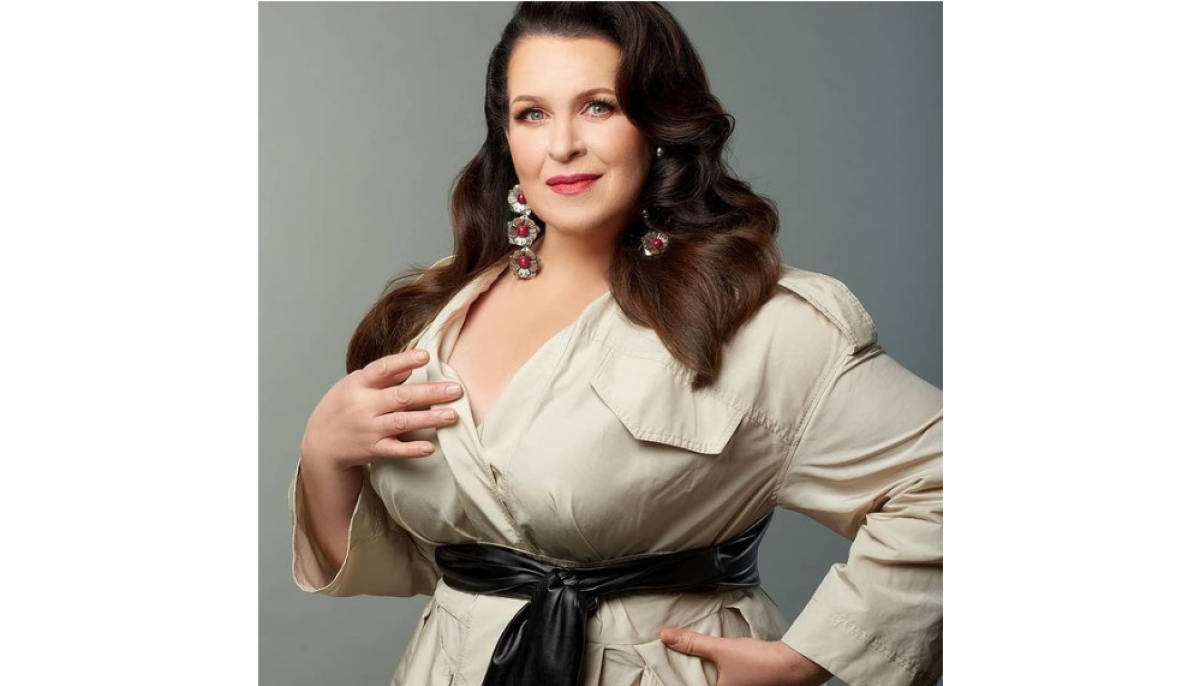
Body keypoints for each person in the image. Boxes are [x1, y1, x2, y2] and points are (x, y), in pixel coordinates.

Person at [288, 3, 942, 685]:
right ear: (505, 135)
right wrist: (324, 453)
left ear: (659, 124)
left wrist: (810, 658)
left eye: (598, 107)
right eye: (532, 114)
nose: (562, 145)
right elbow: (412, 564)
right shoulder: (433, 314)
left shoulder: (753, 319)